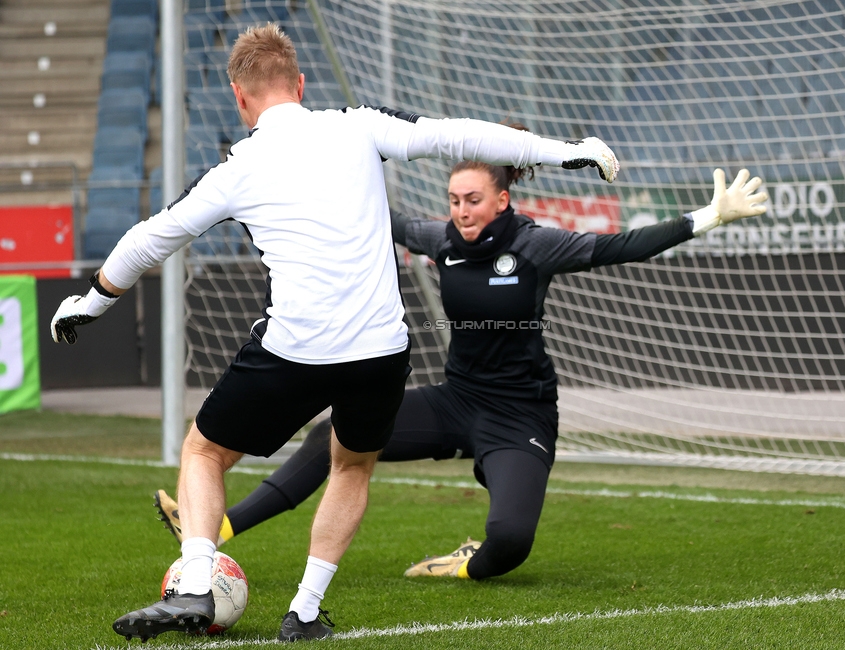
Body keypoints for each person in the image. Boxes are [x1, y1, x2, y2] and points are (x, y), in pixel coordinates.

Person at [50, 25, 621, 642]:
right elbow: (458, 132)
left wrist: (92, 301)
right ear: (300, 84)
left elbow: (150, 237)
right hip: (380, 352)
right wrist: (564, 152)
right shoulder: (359, 125)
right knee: (351, 465)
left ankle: (195, 585)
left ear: (240, 98)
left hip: (295, 348)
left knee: (205, 452)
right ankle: (304, 610)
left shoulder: (235, 169)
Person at [151, 124, 767, 585]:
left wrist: (708, 216)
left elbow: (622, 246)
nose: (461, 211)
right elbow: (365, 214)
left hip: (519, 416)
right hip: (456, 401)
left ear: (501, 199)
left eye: (472, 200)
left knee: (511, 542)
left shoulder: (535, 245)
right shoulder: (442, 240)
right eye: (453, 200)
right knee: (330, 437)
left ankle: (468, 563)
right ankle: (222, 525)